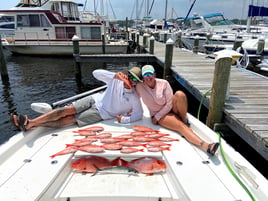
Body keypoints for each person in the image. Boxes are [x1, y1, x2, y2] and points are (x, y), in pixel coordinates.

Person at [11, 68, 143, 131]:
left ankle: (31, 124)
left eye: (135, 80)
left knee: (70, 119)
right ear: (126, 74)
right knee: (65, 110)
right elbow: (95, 73)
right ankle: (31, 122)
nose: (131, 80)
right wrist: (113, 75)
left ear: (137, 83)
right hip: (94, 99)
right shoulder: (115, 80)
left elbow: (139, 114)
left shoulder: (134, 97)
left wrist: (124, 119)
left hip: (102, 113)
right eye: (130, 76)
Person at [135, 65, 219, 156]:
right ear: (143, 77)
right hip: (160, 115)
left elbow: (169, 103)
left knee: (180, 94)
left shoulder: (164, 83)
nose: (148, 77)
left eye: (150, 74)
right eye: (145, 75)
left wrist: (157, 117)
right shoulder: (139, 86)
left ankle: (184, 120)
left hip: (170, 108)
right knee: (181, 127)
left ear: (154, 74)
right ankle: (207, 146)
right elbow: (130, 94)